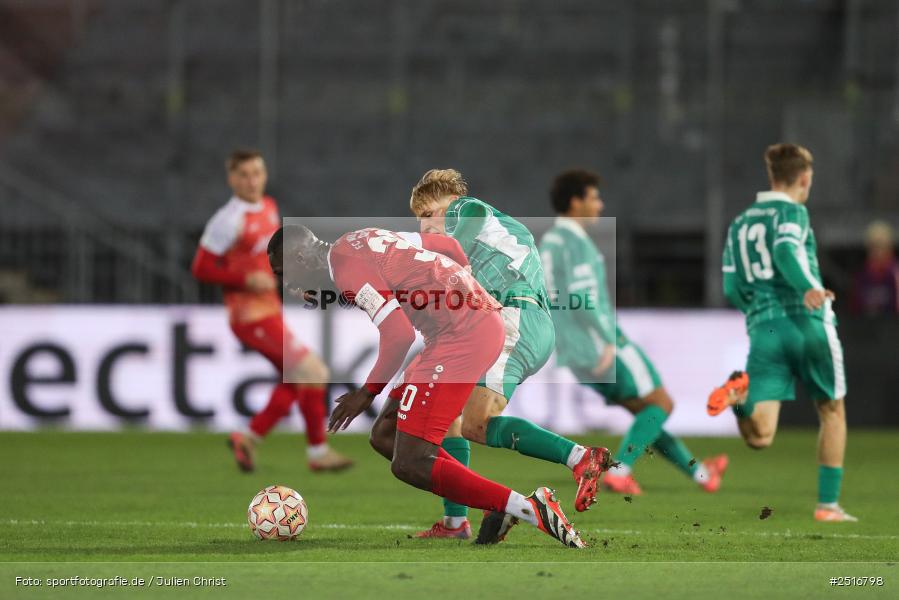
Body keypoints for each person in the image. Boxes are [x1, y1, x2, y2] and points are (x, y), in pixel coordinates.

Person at [268, 224, 588, 548]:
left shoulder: (346, 269)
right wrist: (465, 282)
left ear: (299, 258)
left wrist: (366, 393)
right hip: (456, 331)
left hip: (462, 336)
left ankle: (529, 508)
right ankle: (497, 506)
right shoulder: (356, 239)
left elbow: (398, 334)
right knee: (385, 435)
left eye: (284, 273)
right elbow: (445, 245)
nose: (287, 284)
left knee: (410, 462)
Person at [401, 168, 610, 541]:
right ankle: (455, 523)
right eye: (420, 219)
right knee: (450, 418)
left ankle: (578, 457)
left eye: (428, 213)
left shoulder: (467, 209)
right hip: (509, 320)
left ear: (447, 202)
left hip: (516, 318)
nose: (426, 226)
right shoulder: (477, 242)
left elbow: (465, 228)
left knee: (475, 423)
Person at [539, 169, 727, 495]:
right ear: (575, 201)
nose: (599, 205)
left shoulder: (550, 242)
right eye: (594, 197)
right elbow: (584, 299)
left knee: (646, 416)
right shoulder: (575, 243)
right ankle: (619, 471)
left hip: (572, 347)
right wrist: (609, 342)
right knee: (661, 404)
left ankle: (702, 475)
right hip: (598, 340)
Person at [709, 143, 856, 522]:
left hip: (765, 328)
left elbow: (730, 287)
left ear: (771, 175)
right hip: (806, 321)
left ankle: (739, 397)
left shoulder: (740, 224)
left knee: (761, 437)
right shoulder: (793, 211)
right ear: (804, 178)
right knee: (832, 410)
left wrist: (756, 312)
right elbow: (786, 250)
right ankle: (827, 506)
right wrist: (808, 287)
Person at [190, 149, 352, 473]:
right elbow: (201, 267)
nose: (252, 181)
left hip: (269, 309)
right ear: (232, 179)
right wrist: (244, 278)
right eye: (244, 175)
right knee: (314, 372)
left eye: (257, 173)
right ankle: (318, 452)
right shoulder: (228, 219)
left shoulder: (269, 207)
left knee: (296, 379)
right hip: (249, 315)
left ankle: (248, 438)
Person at [850, 221, 899, 316]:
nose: (877, 251)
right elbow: (854, 308)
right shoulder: (862, 276)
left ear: (890, 247)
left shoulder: (895, 273)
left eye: (881, 246)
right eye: (873, 246)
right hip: (867, 326)